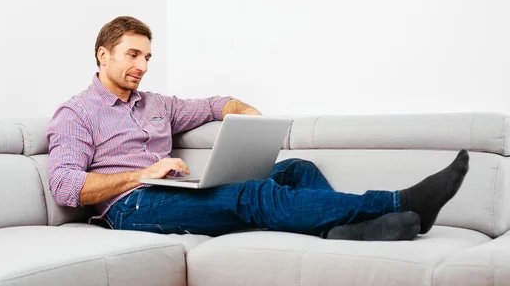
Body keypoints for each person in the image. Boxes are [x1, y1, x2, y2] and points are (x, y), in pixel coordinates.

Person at [46, 16, 469, 241]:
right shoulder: (76, 113)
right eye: (133, 55)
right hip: (132, 207)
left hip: (174, 189)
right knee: (254, 193)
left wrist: (247, 113)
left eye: (148, 57)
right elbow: (66, 187)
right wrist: (143, 173)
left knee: (297, 169)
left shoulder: (156, 103)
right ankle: (400, 201)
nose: (142, 66)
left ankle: (343, 230)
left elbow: (215, 104)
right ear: (103, 54)